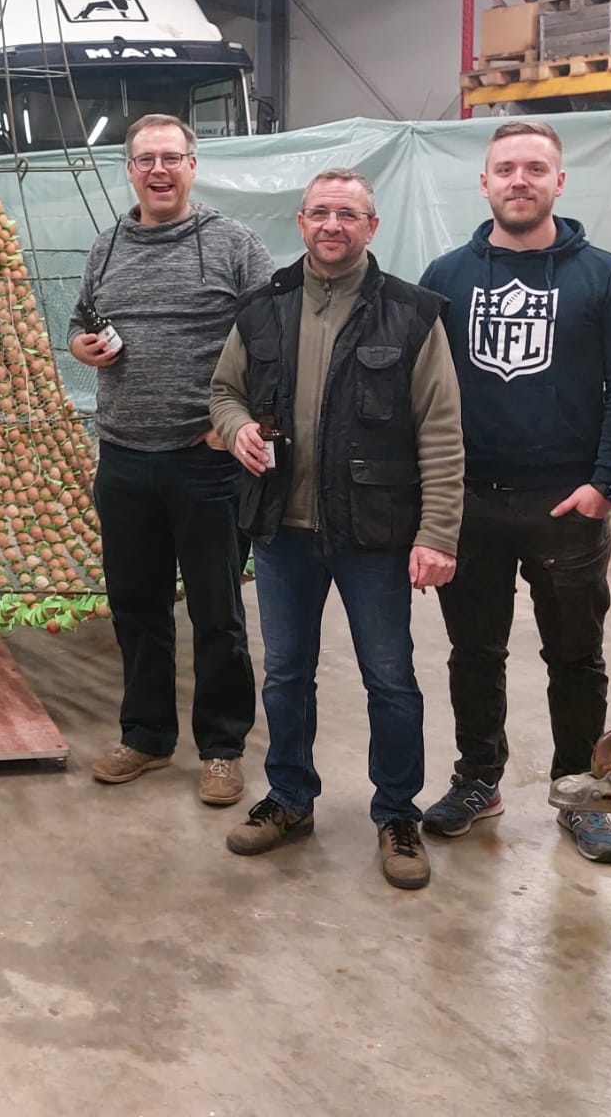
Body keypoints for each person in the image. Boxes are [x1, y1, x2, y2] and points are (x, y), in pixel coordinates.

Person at [211, 168, 464, 891]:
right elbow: (224, 392)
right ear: (301, 221)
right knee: (287, 673)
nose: (332, 225)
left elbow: (441, 429)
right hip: (281, 531)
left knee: (390, 679)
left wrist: (438, 532)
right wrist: (235, 429)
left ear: (371, 227)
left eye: (348, 214)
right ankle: (290, 797)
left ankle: (397, 812)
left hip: (373, 535)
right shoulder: (262, 307)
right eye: (320, 212)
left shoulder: (412, 313)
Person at [418, 120, 611, 865]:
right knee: (473, 652)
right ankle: (478, 780)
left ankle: (579, 791)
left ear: (559, 182)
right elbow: (423, 392)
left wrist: (604, 485)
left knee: (575, 658)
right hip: (471, 501)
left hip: (566, 504)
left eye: (535, 168)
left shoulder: (606, 277)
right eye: (507, 168)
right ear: (485, 182)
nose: (520, 180)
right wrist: (433, 498)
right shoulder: (446, 275)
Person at [66, 113, 273, 807]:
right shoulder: (107, 246)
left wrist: (231, 426)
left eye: (171, 157)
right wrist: (81, 347)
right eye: (145, 159)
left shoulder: (232, 244)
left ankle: (221, 748)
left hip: (203, 461)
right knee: (136, 606)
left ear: (192, 165)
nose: (159, 170)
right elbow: (82, 320)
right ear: (130, 170)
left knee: (218, 614)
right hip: (123, 459)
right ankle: (147, 735)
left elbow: (273, 340)